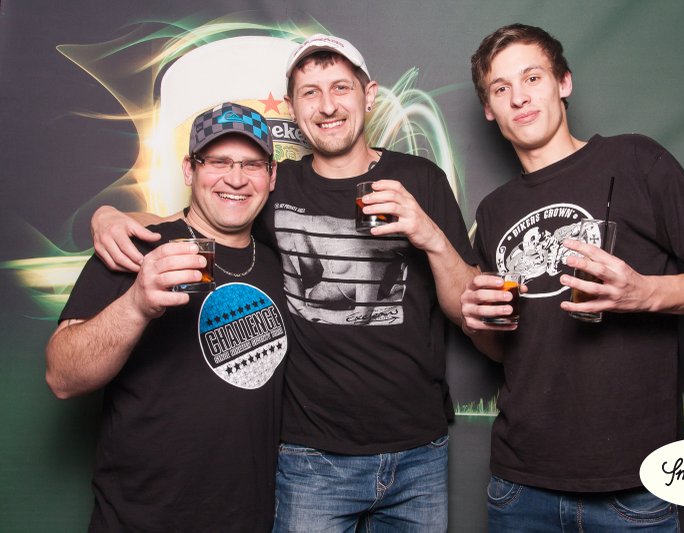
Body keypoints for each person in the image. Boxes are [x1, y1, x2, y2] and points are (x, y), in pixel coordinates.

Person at [90, 34, 478, 532]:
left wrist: (431, 236)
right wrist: (111, 216)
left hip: (418, 452)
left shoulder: (420, 179)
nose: (328, 105)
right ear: (293, 108)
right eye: (310, 92)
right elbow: (197, 217)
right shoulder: (274, 185)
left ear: (369, 95)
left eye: (340, 87)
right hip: (311, 457)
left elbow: (466, 307)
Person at [461, 24, 684, 532]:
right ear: (489, 109)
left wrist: (645, 292)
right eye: (501, 88)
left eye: (532, 78)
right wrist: (477, 322)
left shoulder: (634, 160)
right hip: (519, 485)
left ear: (564, 83)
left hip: (632, 487)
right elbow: (503, 349)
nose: (519, 97)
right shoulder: (493, 210)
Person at [46, 102, 289, 531]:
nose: (235, 178)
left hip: (248, 519)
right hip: (142, 519)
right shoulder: (136, 247)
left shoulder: (277, 262)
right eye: (218, 161)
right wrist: (136, 303)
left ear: (270, 177)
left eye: (251, 164)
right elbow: (62, 377)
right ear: (189, 170)